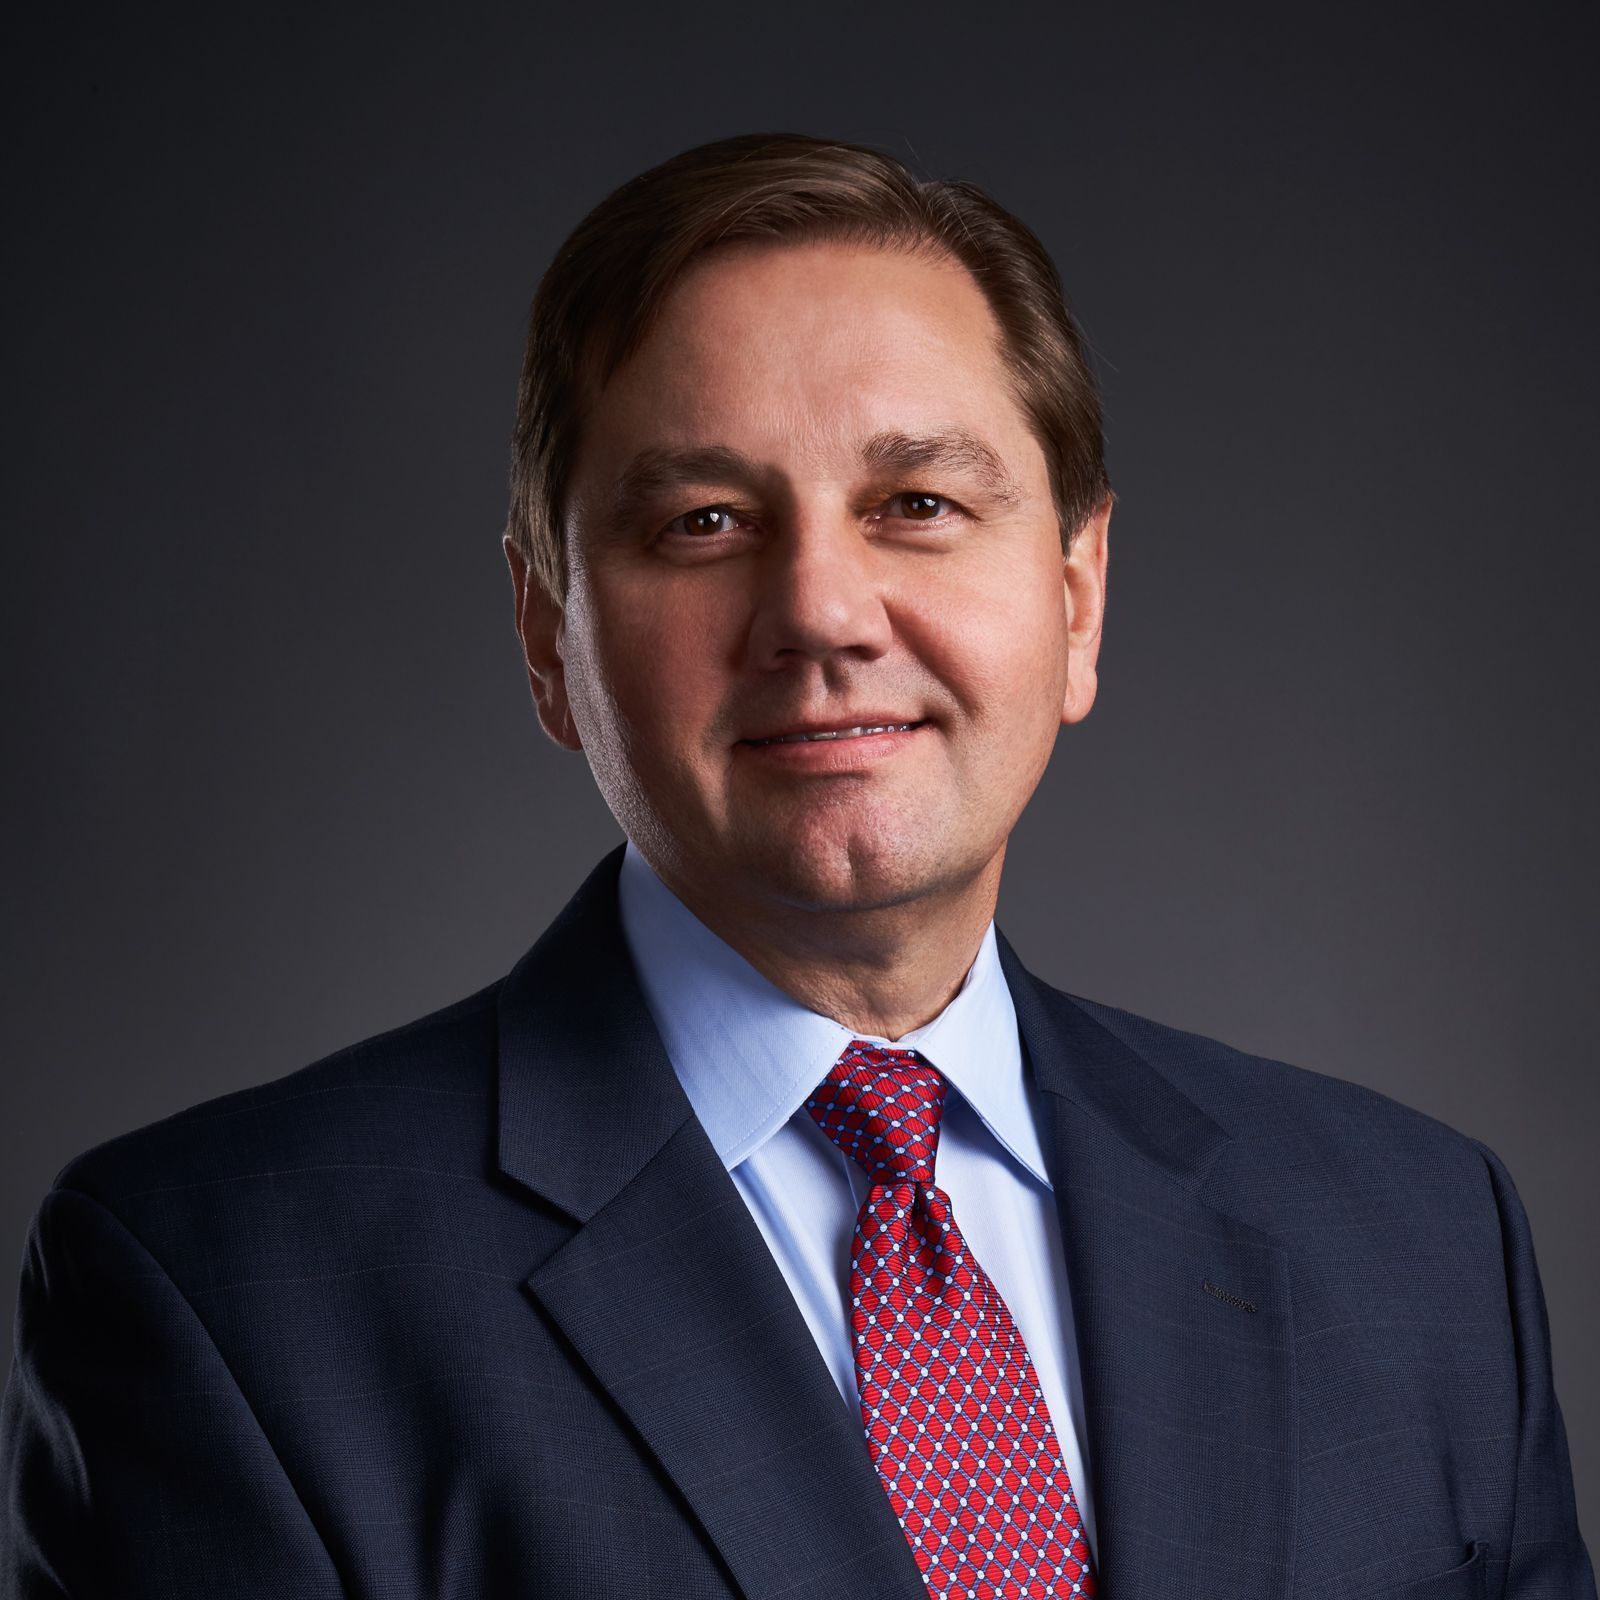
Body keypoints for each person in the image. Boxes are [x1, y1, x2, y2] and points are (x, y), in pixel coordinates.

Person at [1, 131, 1590, 1600]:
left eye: (916, 503)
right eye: (702, 520)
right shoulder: (227, 1292)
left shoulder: (1419, 1238)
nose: (821, 609)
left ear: (1078, 596)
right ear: (549, 633)